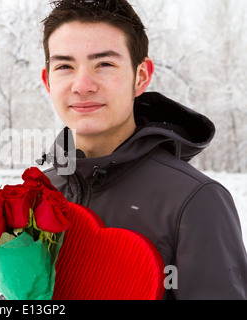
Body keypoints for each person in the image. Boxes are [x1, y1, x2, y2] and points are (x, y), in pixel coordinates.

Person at [38, 0, 247, 299]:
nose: (82, 85)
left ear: (141, 76)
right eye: (64, 66)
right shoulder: (37, 194)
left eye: (104, 64)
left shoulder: (195, 200)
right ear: (47, 80)